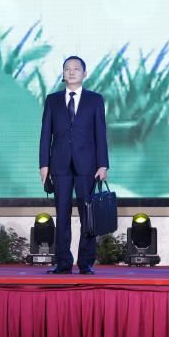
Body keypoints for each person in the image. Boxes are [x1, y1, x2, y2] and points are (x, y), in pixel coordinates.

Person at [39, 56, 109, 275]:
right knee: (62, 214)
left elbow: (100, 133)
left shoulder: (95, 100)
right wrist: (44, 164)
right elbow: (45, 134)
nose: (71, 72)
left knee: (88, 215)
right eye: (67, 69)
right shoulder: (52, 100)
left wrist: (103, 164)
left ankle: (86, 262)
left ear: (84, 74)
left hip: (88, 165)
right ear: (63, 74)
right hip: (59, 165)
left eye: (76, 69)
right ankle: (63, 262)